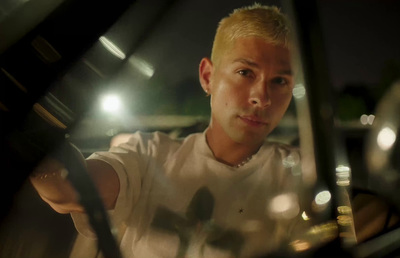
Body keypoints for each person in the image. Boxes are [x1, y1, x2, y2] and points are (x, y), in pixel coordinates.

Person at [31, 3, 307, 257]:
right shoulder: (149, 154)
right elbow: (70, 190)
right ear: (208, 76)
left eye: (280, 81)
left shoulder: (303, 175)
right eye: (246, 72)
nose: (262, 97)